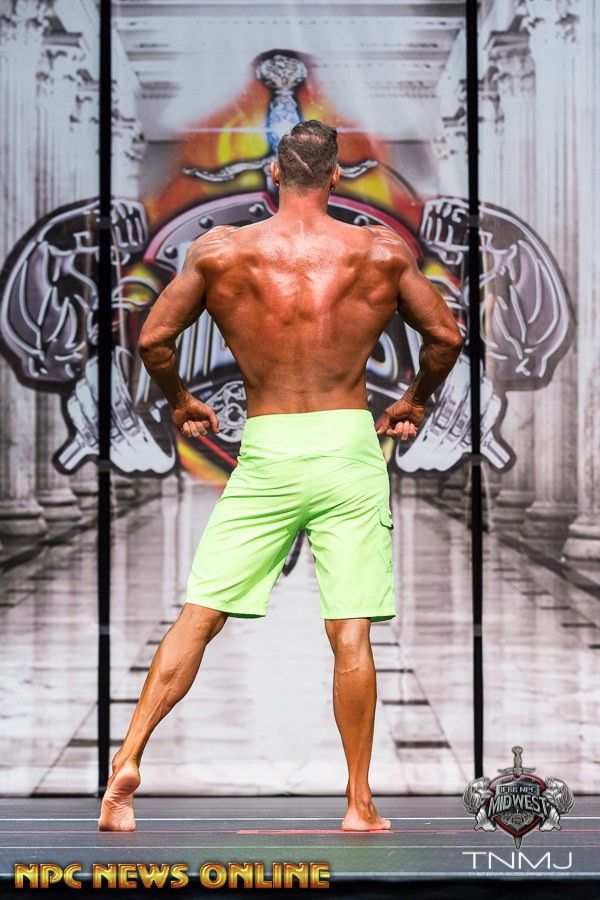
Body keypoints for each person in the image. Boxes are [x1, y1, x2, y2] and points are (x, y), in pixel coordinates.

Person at [98, 120, 463, 833]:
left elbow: (153, 339)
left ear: (274, 173)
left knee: (200, 614)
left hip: (267, 448)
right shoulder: (380, 252)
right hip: (346, 448)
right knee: (349, 628)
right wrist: (416, 400)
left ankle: (126, 765)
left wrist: (181, 401)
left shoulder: (222, 252)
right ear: (335, 176)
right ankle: (358, 803)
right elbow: (446, 337)